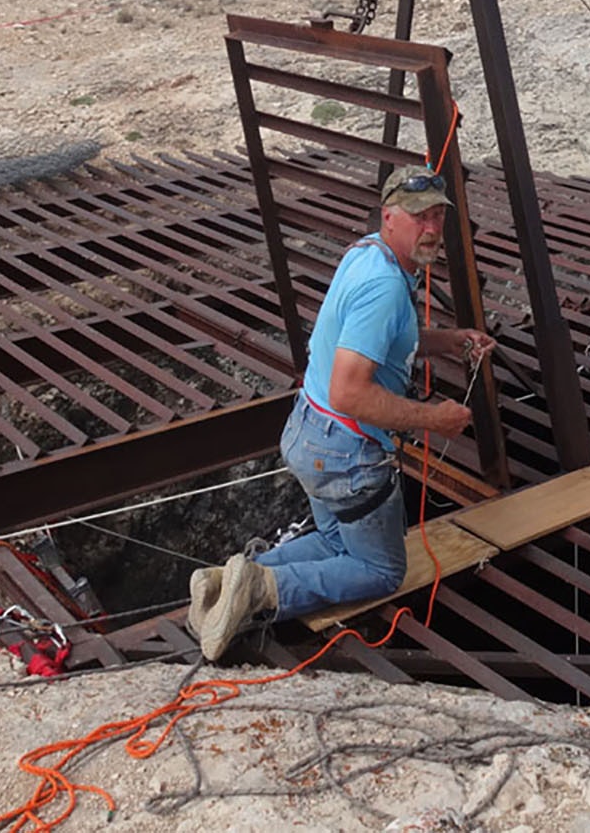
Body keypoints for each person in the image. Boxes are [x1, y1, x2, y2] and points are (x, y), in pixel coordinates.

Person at [188, 164, 496, 661]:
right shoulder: (386, 288)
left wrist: (449, 340)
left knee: (338, 548)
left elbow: (385, 338)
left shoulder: (368, 254)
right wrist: (433, 419)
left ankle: (226, 581)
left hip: (308, 431)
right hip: (346, 451)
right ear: (389, 216)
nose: (433, 228)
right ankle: (265, 591)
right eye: (420, 217)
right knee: (380, 570)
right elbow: (351, 392)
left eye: (439, 216)